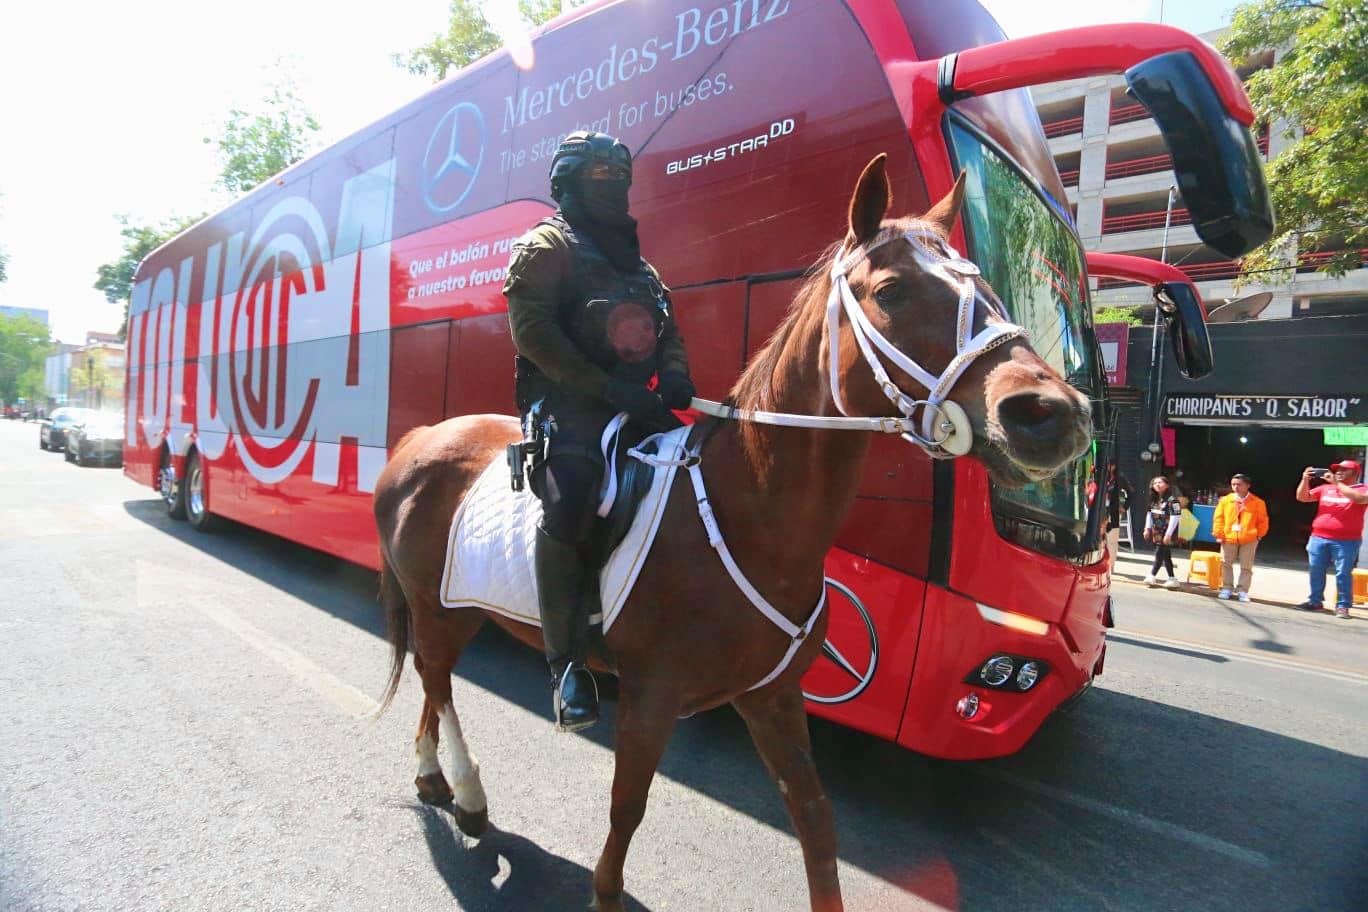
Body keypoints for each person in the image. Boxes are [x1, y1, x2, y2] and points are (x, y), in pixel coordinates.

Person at [503, 130, 695, 731]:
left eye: (620, 179)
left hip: (638, 404)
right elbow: (532, 334)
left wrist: (676, 377)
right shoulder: (545, 247)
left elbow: (668, 329)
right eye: (599, 178)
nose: (612, 189)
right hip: (570, 408)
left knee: (700, 484)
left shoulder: (641, 267)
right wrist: (604, 387)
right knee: (573, 498)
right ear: (567, 184)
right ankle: (565, 666)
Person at [1294, 460, 1368, 618]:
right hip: (1318, 537)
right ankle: (1315, 601)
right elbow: (1303, 497)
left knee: (1343, 573)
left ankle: (1342, 606)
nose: (1339, 472)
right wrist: (1305, 479)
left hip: (1346, 541)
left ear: (1355, 474)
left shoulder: (1363, 489)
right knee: (1316, 570)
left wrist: (1336, 483)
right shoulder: (1325, 488)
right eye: (1337, 470)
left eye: (1344, 470)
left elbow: (1359, 499)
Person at [1211, 473, 1269, 602]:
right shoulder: (1226, 500)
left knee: (1246, 566)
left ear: (1248, 486)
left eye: (1239, 484)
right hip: (1228, 536)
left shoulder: (1257, 502)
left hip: (1249, 537)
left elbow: (1263, 521)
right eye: (1233, 484)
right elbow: (1218, 518)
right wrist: (1219, 534)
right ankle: (1226, 587)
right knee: (1226, 563)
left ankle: (1243, 590)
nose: (1236, 487)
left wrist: (1259, 535)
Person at [1143, 475, 1183, 589]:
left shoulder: (1173, 500)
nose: (1157, 485)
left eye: (1160, 482)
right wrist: (1147, 528)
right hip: (1157, 531)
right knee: (1165, 555)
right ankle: (1172, 578)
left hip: (1167, 532)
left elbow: (1176, 517)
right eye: (1155, 483)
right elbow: (1149, 514)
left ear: (1167, 485)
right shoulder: (1154, 500)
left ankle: (1152, 575)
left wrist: (1169, 534)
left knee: (1159, 553)